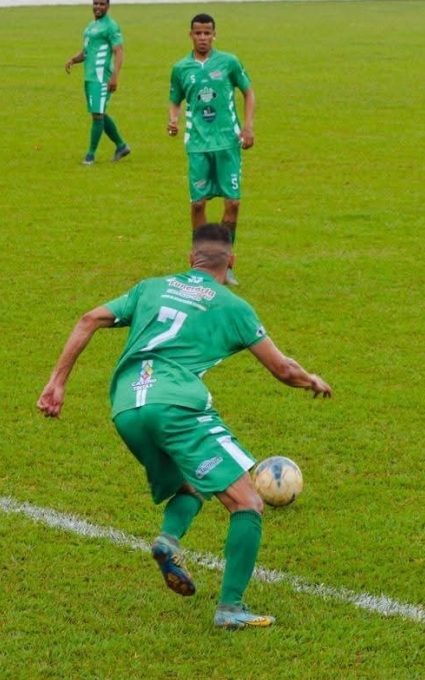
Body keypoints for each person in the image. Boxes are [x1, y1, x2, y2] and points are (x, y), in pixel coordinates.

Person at [37, 223, 332, 630]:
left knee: (191, 483)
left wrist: (57, 383)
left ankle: (168, 540)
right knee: (247, 503)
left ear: (191, 258)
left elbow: (88, 319)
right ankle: (231, 609)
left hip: (127, 407)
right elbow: (282, 369)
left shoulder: (150, 287)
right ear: (231, 262)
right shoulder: (233, 306)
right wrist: (311, 379)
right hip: (176, 404)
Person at [168, 14, 256, 286]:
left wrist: (248, 127)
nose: (203, 38)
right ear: (190, 35)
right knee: (197, 204)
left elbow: (249, 92)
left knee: (233, 203)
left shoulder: (229, 62)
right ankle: (202, 264)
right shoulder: (181, 68)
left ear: (214, 34)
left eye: (207, 33)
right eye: (198, 33)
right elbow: (175, 100)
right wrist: (173, 119)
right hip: (198, 145)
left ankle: (225, 262)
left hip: (228, 143)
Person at [65, 0, 131, 166]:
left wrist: (114, 76)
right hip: (90, 76)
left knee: (97, 115)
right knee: (99, 112)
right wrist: (74, 59)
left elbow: (119, 52)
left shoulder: (111, 26)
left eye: (102, 4)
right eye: (96, 3)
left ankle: (90, 155)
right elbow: (87, 51)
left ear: (108, 6)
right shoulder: (91, 26)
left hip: (101, 77)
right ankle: (121, 146)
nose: (98, 7)